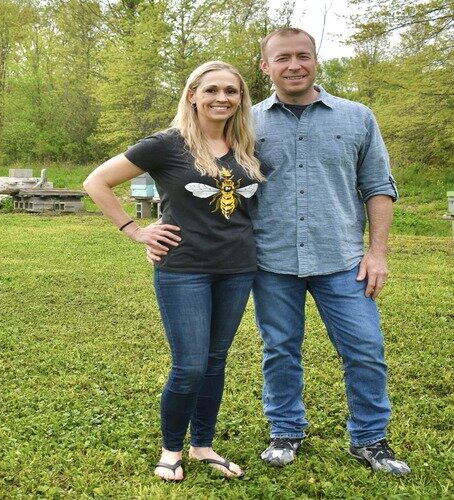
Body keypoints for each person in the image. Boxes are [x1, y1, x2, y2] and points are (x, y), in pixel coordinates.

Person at [147, 28, 411, 475]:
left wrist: (378, 251)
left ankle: (370, 439)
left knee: (365, 348)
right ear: (265, 66)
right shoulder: (245, 123)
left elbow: (378, 187)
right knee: (280, 348)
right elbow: (201, 173)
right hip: (270, 260)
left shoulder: (357, 117)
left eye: (303, 56)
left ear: (315, 61)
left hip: (343, 259)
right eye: (282, 58)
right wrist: (155, 225)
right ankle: (285, 431)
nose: (294, 65)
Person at [83, 61, 264, 482]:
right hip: (184, 270)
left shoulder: (247, 146)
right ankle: (171, 451)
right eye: (212, 89)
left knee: (215, 361)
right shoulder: (167, 144)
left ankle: (203, 445)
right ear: (192, 96)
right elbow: (96, 182)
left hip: (238, 269)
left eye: (232, 91)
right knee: (189, 365)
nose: (222, 98)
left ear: (241, 99)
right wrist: (134, 230)